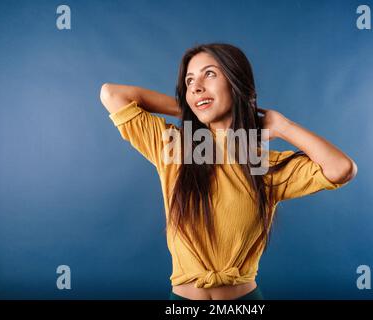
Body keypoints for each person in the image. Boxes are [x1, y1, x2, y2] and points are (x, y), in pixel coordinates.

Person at [100, 43, 358, 300]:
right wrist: (194, 107)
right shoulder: (172, 146)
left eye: (209, 74)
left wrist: (283, 126)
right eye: (189, 81)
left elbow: (341, 168)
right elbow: (111, 94)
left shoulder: (263, 164)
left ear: (237, 83)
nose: (196, 86)